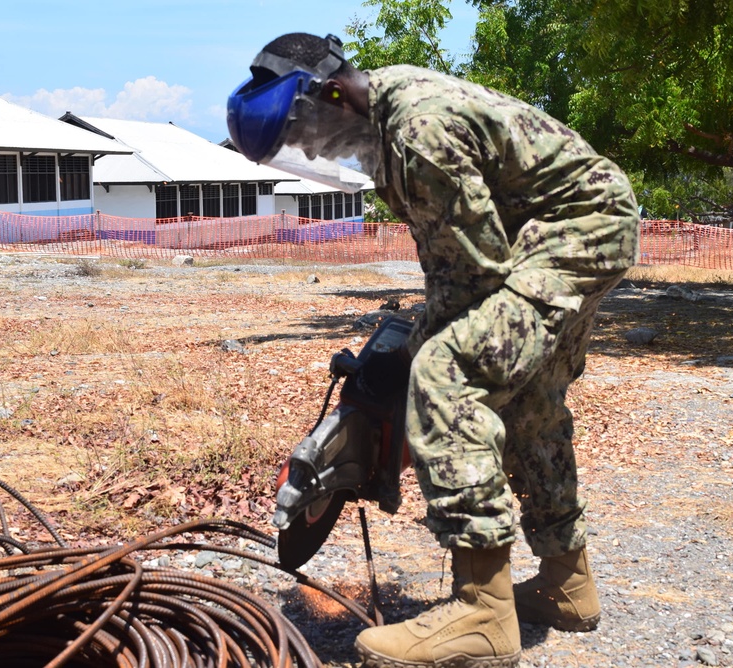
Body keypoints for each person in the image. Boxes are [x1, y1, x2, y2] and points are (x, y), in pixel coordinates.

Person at [227, 32, 639, 668]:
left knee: (448, 374)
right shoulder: (385, 114)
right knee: (528, 397)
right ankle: (568, 583)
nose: (309, 148)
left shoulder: (417, 133)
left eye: (302, 132)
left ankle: (482, 612)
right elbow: (454, 260)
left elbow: (475, 273)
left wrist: (411, 357)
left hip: (574, 228)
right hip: (575, 223)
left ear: (332, 94)